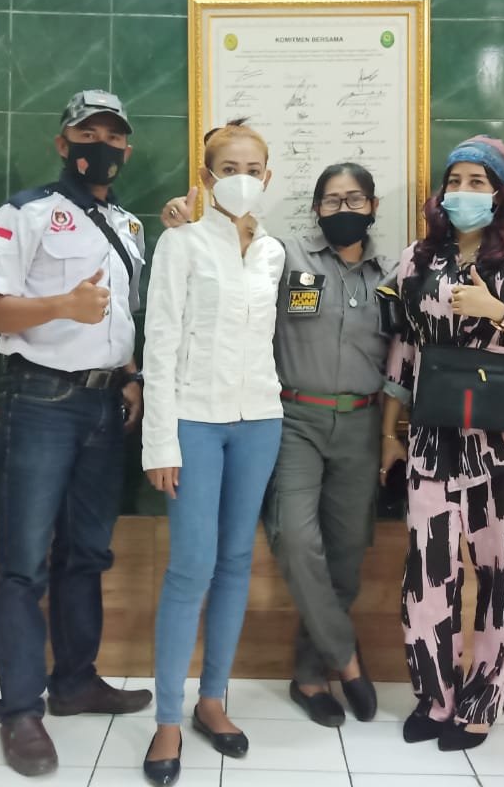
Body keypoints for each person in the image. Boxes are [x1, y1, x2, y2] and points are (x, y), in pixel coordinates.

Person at [160, 162, 387, 728]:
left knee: (347, 553)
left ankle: (310, 676)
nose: (343, 210)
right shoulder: (284, 256)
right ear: (315, 209)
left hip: (362, 423)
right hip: (293, 418)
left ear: (374, 207)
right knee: (296, 539)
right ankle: (346, 658)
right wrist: (185, 227)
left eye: (354, 200)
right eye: (331, 200)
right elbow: (229, 268)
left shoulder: (395, 272)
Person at [0, 90, 153, 777]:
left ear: (127, 148)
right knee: (23, 562)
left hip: (106, 405)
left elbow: (122, 316)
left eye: (113, 135)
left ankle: (75, 682)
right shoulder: (25, 212)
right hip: (40, 401)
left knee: (87, 554)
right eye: (88, 133)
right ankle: (21, 709)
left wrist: (130, 377)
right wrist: (60, 306)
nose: (101, 145)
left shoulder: (131, 226)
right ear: (62, 142)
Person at [379, 137, 504, 754]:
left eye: (477, 182)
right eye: (454, 181)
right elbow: (403, 350)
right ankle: (434, 698)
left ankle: (481, 703)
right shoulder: (417, 259)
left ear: (498, 192)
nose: (462, 192)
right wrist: (389, 433)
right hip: (433, 439)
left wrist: (497, 311)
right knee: (427, 577)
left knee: (500, 576)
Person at [140, 121, 285, 786]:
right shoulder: (181, 242)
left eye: (253, 168)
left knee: (234, 564)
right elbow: (160, 343)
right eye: (229, 167)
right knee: (190, 567)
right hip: (194, 422)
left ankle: (212, 700)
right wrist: (160, 441)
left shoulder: (274, 253)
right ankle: (168, 718)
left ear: (268, 177)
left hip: (260, 421)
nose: (242, 178)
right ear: (206, 176)